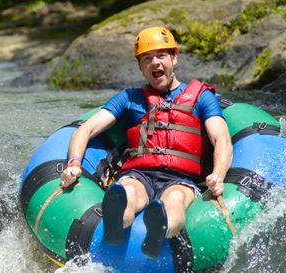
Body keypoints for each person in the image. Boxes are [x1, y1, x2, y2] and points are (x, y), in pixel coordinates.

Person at [59, 26, 232, 258]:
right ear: (140, 66)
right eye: (147, 58)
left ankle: (158, 229)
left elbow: (221, 139)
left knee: (175, 199)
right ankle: (117, 221)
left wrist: (218, 175)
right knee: (128, 192)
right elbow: (86, 129)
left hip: (181, 179)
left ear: (174, 57)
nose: (154, 63)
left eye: (161, 56)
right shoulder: (129, 99)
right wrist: (73, 163)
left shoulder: (202, 97)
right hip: (138, 174)